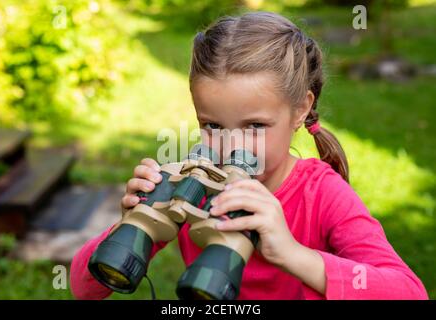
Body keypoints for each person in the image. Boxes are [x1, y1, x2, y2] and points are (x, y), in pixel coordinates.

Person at [70, 12, 428, 300]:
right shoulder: (196, 186)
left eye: (255, 126)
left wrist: (291, 253)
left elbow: (409, 293)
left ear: (301, 109)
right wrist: (132, 223)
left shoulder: (322, 195)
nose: (230, 146)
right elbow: (84, 288)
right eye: (212, 125)